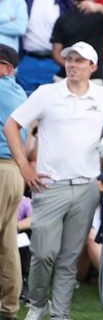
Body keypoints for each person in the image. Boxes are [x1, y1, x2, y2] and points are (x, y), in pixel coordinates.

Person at [4, 41, 103, 320]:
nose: (72, 64)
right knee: (43, 253)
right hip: (49, 186)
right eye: (70, 59)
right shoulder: (47, 93)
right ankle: (38, 303)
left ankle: (60, 314)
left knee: (68, 257)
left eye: (79, 60)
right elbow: (12, 124)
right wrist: (24, 166)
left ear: (93, 67)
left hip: (87, 187)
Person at [0, 44, 26, 320]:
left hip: (1, 167)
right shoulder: (18, 91)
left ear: (7, 67)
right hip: (14, 172)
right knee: (7, 244)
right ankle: (8, 308)